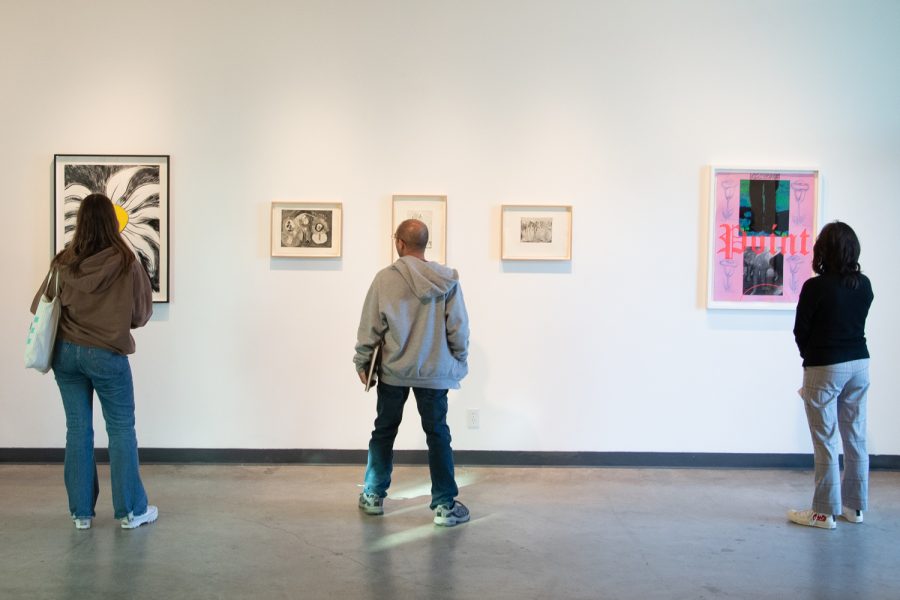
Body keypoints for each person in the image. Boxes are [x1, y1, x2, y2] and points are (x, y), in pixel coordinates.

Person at [31, 193, 158, 530]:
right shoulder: (126, 261)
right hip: (106, 354)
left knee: (77, 429)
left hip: (66, 355)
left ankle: (81, 513)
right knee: (120, 430)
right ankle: (132, 511)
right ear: (112, 222)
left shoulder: (63, 262)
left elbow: (39, 306)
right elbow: (141, 314)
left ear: (81, 222)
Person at [353, 219, 471, 526]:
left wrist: (362, 362)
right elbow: (458, 327)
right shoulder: (446, 280)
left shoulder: (384, 279)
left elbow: (370, 326)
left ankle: (373, 496)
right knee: (438, 434)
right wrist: (458, 360)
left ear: (400, 243)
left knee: (384, 431)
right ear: (424, 244)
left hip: (394, 370)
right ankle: (445, 506)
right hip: (433, 372)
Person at [788, 221, 874, 529]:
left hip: (825, 365)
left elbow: (801, 330)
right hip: (860, 365)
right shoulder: (863, 285)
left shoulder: (816, 286)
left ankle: (823, 512)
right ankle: (855, 507)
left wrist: (811, 356)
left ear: (824, 249)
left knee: (825, 439)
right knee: (856, 436)